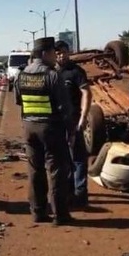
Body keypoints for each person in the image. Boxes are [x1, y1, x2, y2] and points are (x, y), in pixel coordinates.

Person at [14, 37, 75, 226]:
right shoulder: (52, 75)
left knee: (35, 170)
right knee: (56, 171)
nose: (55, 56)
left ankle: (38, 212)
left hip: (29, 128)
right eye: (52, 53)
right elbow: (65, 107)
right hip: (51, 129)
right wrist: (71, 131)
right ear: (43, 54)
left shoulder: (21, 75)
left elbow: (19, 101)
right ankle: (60, 215)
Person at [55, 40, 92, 207]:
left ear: (69, 53)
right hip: (57, 123)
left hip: (74, 121)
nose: (61, 55)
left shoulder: (76, 72)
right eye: (57, 53)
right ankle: (68, 193)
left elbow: (86, 92)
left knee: (78, 158)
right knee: (62, 160)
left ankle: (81, 194)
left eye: (64, 52)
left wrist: (83, 117)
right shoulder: (51, 72)